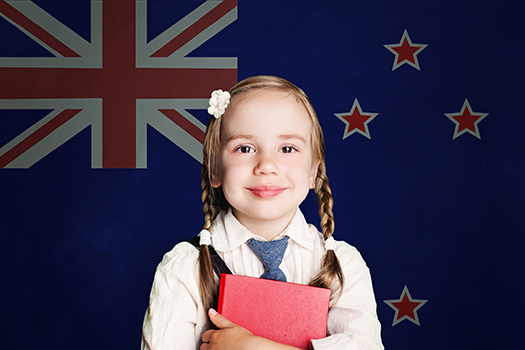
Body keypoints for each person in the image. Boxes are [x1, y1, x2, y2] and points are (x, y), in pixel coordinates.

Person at [141, 75, 384, 350]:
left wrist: (252, 347)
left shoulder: (343, 266)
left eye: (287, 148)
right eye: (244, 148)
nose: (267, 165)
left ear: (314, 171)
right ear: (215, 170)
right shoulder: (184, 268)